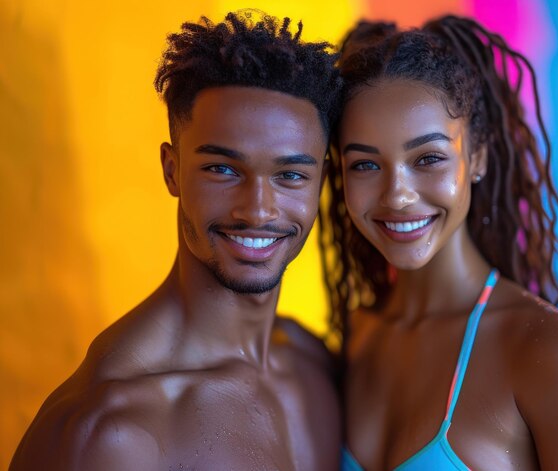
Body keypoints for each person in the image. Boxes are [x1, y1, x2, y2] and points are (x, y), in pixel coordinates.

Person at [11, 11, 343, 471]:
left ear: (320, 181)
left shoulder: (314, 361)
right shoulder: (111, 433)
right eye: (223, 169)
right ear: (172, 170)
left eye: (290, 175)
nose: (258, 210)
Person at [320, 16, 558, 470]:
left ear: (476, 156)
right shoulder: (356, 340)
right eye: (365, 165)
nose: (397, 195)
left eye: (428, 158)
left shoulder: (554, 355)